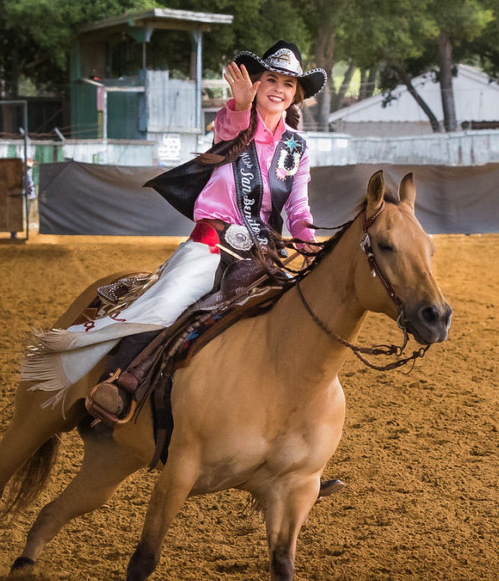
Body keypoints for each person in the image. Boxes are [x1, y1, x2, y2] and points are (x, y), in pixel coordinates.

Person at [22, 40, 327, 424]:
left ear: (295, 93)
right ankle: (121, 383)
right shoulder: (233, 120)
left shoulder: (297, 148)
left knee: (300, 319)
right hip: (214, 243)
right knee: (167, 303)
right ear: (255, 83)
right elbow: (231, 124)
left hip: (263, 254)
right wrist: (240, 103)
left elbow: (298, 206)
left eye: (287, 83)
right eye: (271, 78)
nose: (278, 89)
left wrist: (309, 242)